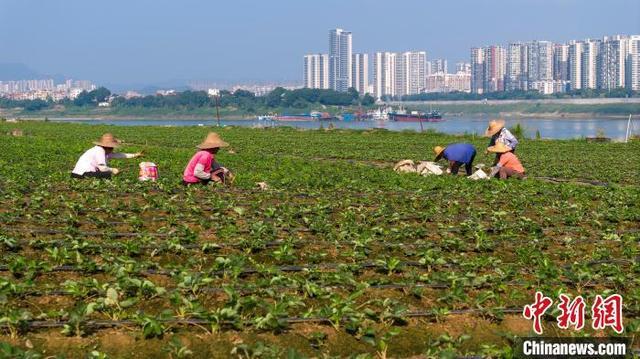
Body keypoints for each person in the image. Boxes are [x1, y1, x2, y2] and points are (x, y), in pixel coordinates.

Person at [71, 133, 142, 179]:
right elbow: (102, 168)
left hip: (76, 174)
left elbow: (118, 155)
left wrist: (134, 155)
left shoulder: (101, 150)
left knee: (106, 174)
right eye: (112, 147)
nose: (112, 149)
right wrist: (113, 170)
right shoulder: (100, 151)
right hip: (82, 174)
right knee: (107, 175)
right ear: (108, 147)